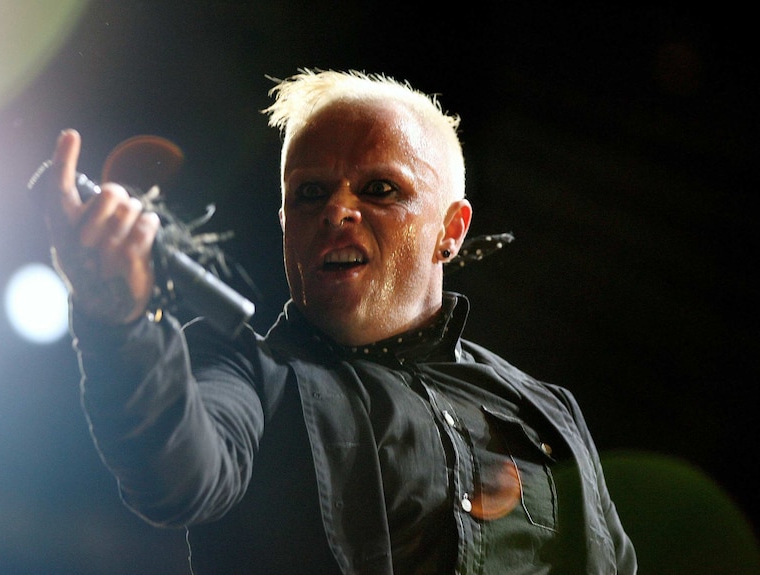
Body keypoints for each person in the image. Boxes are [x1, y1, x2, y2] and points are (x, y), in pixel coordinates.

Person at [41, 69, 637, 574]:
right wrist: (118, 322)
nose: (337, 210)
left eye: (379, 188)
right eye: (309, 193)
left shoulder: (544, 409)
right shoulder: (246, 371)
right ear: (284, 225)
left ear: (451, 232)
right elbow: (176, 474)